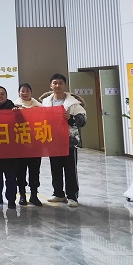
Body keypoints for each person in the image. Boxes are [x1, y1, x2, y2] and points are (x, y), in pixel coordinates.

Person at [41, 73, 86, 207]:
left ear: (65, 85)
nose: (57, 85)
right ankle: (58, 193)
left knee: (70, 169)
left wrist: (70, 118)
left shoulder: (73, 103)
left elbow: (82, 120)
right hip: (53, 140)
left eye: (60, 83)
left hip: (68, 141)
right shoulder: (45, 102)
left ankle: (72, 196)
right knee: (55, 168)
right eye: (55, 83)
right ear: (51, 85)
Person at [13, 83, 43, 206]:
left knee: (34, 171)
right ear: (19, 93)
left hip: (35, 144)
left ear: (31, 92)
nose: (25, 93)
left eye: (27, 91)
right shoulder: (14, 106)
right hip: (20, 145)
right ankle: (22, 195)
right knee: (20, 171)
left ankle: (34, 195)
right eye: (22, 91)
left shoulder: (40, 107)